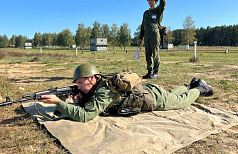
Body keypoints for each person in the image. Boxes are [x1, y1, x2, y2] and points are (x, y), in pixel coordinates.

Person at [39, 63, 214, 123]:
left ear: (93, 78)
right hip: (150, 90)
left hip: (153, 99)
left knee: (180, 102)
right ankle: (189, 85)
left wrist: (57, 103)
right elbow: (89, 101)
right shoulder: (99, 85)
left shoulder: (103, 92)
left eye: (80, 82)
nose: (79, 86)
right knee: (173, 94)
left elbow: (85, 116)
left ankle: (199, 88)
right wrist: (80, 98)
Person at [138, 0, 166, 79]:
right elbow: (143, 26)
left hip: (155, 34)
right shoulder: (145, 13)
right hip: (147, 35)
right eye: (149, 0)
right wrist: (140, 37)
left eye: (152, 0)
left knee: (155, 53)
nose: (150, 2)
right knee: (148, 54)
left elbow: (164, 2)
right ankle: (149, 72)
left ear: (155, 1)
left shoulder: (158, 10)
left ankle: (156, 72)